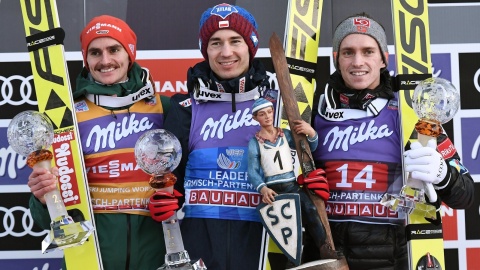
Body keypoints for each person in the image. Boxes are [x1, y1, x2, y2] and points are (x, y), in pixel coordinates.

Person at [308, 12, 475, 270]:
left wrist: (444, 175)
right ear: (336, 59)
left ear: (384, 59)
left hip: (390, 257)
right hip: (327, 254)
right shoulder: (314, 110)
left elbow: (465, 195)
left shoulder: (410, 113)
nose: (358, 61)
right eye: (348, 52)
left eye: (368, 51)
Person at [27, 15, 170, 270]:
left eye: (114, 49)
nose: (105, 61)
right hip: (90, 256)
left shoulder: (163, 107)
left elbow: (191, 175)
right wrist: (42, 196)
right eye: (95, 52)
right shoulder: (66, 115)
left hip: (155, 254)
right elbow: (45, 215)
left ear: (130, 53)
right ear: (86, 59)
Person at [159, 3, 272, 270]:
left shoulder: (276, 105)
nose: (226, 52)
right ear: (205, 49)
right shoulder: (185, 108)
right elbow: (168, 184)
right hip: (200, 254)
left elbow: (294, 182)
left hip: (263, 250)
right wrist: (163, 201)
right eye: (215, 43)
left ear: (251, 47)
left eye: (236, 41)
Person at [247, 97, 336, 264]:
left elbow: (308, 150)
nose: (267, 116)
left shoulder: (285, 134)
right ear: (255, 118)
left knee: (310, 210)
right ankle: (291, 261)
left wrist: (311, 133)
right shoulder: (254, 142)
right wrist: (263, 189)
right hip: (274, 191)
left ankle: (324, 247)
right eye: (261, 114)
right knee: (284, 228)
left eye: (269, 112)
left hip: (291, 185)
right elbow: (252, 171)